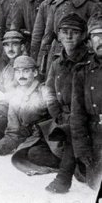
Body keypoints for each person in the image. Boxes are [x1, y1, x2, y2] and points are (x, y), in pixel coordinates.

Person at [43, 13, 90, 193]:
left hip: (85, 120)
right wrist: (57, 114)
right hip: (61, 118)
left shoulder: (89, 61)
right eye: (65, 32)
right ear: (59, 35)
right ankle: (77, 164)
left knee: (73, 130)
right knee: (33, 154)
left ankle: (63, 178)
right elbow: (49, 91)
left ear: (83, 35)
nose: (69, 37)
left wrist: (73, 118)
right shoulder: (56, 63)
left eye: (75, 32)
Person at [0, 57, 58, 174]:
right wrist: (1, 146)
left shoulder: (44, 90)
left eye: (25, 71)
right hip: (32, 139)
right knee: (30, 153)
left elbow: (56, 113)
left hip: (49, 137)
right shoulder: (15, 96)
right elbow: (13, 131)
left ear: (34, 73)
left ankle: (67, 165)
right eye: (18, 71)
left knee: (34, 153)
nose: (21, 75)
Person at [38, 0, 101, 73]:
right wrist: (40, 63)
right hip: (58, 58)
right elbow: (47, 37)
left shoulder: (92, 5)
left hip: (83, 59)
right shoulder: (55, 5)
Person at [71, 12, 102, 190]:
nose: (101, 40)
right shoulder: (82, 72)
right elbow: (77, 115)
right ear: (89, 42)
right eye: (97, 35)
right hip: (96, 137)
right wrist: (82, 150)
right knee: (95, 184)